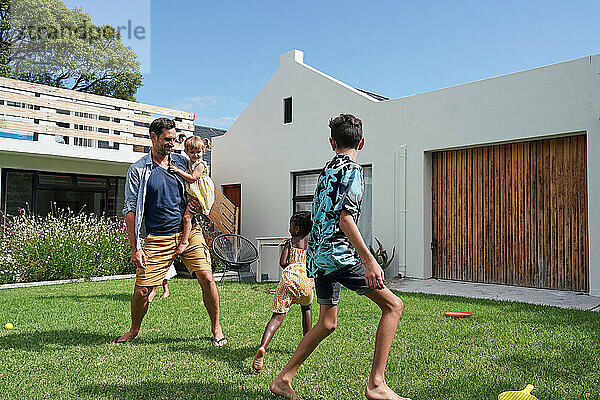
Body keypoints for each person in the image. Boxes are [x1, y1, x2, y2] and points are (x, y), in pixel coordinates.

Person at [270, 114, 410, 400]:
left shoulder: (326, 171)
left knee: (327, 322)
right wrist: (370, 260)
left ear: (332, 142)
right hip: (339, 256)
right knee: (393, 306)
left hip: (319, 258)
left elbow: (320, 216)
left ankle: (283, 379)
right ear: (362, 142)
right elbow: (345, 219)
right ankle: (376, 385)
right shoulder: (353, 171)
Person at [112, 117, 227, 347]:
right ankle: (134, 329)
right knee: (143, 290)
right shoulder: (138, 170)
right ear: (153, 137)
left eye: (174, 140)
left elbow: (200, 182)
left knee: (206, 277)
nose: (171, 144)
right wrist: (136, 248)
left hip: (189, 230)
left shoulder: (183, 162)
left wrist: (196, 205)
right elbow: (131, 210)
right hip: (158, 237)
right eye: (166, 139)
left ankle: (216, 327)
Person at [252, 211, 314, 373]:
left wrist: (287, 251)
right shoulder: (312, 242)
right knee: (306, 309)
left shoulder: (290, 243)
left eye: (291, 226)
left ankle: (263, 347)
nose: (289, 229)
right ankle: (307, 344)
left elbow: (283, 262)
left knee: (277, 316)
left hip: (288, 280)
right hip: (306, 280)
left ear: (298, 229)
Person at [167, 136, 215, 255]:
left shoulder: (200, 164)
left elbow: (193, 178)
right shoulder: (190, 162)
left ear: (203, 151)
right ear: (186, 152)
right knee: (188, 217)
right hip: (195, 193)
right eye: (192, 152)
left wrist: (178, 171)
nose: (195, 155)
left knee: (187, 218)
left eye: (198, 152)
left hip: (200, 195)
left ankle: (184, 241)